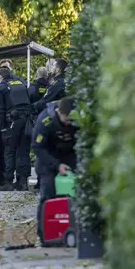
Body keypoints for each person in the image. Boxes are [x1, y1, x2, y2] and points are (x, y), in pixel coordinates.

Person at [31, 97, 78, 242]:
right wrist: (56, 165)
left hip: (70, 155)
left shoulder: (78, 118)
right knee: (48, 193)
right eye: (67, 120)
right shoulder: (45, 120)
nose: (70, 124)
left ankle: (76, 231)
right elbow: (37, 146)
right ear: (60, 112)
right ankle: (45, 235)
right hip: (48, 158)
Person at [0, 67, 33, 191]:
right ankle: (22, 181)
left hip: (13, 121)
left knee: (9, 150)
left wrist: (3, 128)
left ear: (0, 77)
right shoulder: (22, 83)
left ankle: (8, 181)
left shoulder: (1, 87)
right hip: (26, 120)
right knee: (23, 151)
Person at [0, 59, 22, 188]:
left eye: (7, 67)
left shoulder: (18, 82)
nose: (5, 70)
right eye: (2, 68)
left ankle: (14, 179)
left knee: (12, 151)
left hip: (12, 123)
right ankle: (0, 177)